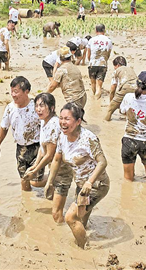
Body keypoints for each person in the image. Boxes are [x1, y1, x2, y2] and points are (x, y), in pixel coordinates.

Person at [44, 102, 109, 248]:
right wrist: (50, 181)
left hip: (97, 185)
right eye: (61, 118)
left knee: (70, 217)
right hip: (81, 185)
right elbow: (56, 158)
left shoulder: (88, 139)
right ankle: (82, 243)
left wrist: (89, 182)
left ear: (78, 121)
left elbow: (102, 162)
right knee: (80, 221)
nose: (62, 122)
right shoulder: (62, 136)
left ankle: (83, 250)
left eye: (67, 119)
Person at [22, 93, 74, 223]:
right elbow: (42, 148)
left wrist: (35, 171)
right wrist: (34, 166)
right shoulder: (44, 122)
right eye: (36, 106)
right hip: (54, 169)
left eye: (42, 106)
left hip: (63, 171)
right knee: (37, 185)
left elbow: (50, 154)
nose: (38, 109)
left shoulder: (53, 124)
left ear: (51, 108)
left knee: (56, 214)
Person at [0, 77, 44, 191]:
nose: (13, 95)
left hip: (36, 147)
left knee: (36, 181)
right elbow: (4, 127)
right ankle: (26, 204)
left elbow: (47, 127)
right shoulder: (10, 108)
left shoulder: (36, 107)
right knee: (24, 180)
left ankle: (55, 179)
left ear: (26, 91)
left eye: (16, 91)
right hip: (20, 148)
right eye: (11, 91)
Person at [119, 71, 146, 181]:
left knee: (128, 179)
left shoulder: (128, 97)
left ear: (137, 84)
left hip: (129, 140)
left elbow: (122, 112)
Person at [105, 56, 137, 121]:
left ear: (118, 65)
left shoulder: (117, 71)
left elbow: (113, 88)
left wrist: (112, 102)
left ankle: (106, 121)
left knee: (109, 110)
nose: (114, 68)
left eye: (114, 66)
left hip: (126, 87)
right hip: (137, 88)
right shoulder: (131, 69)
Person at [87, 24, 112, 99]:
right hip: (103, 64)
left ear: (96, 31)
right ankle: (97, 100)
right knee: (99, 86)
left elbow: (89, 54)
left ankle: (94, 101)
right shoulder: (109, 41)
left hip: (92, 64)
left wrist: (91, 61)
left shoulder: (91, 40)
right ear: (104, 30)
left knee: (93, 84)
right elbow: (108, 54)